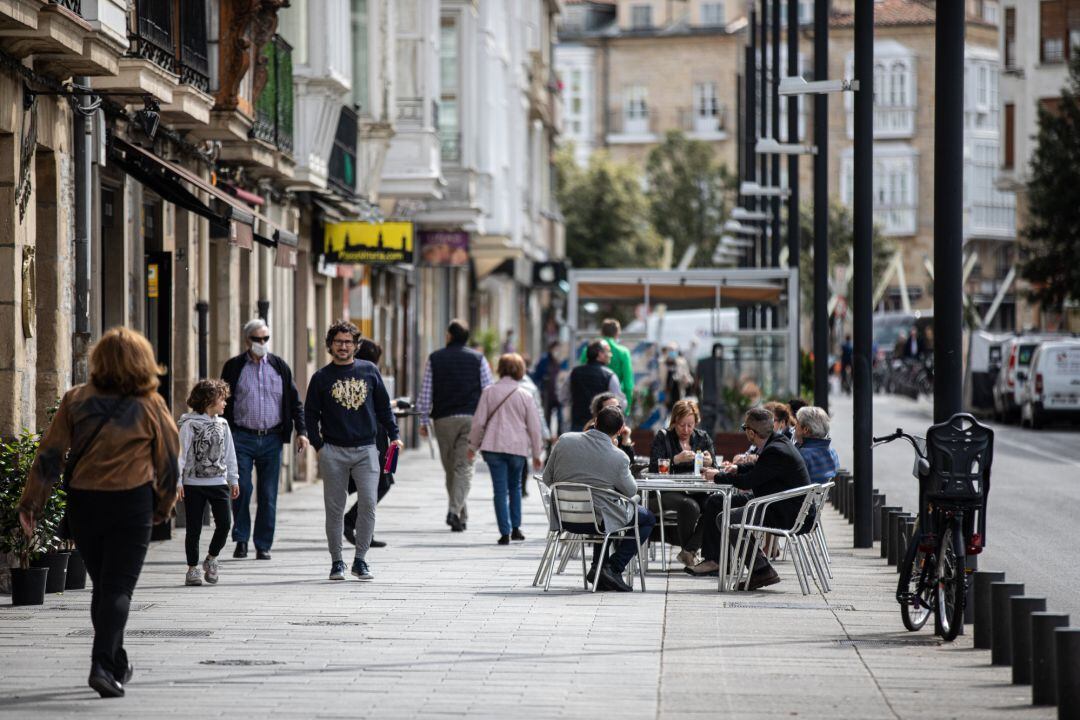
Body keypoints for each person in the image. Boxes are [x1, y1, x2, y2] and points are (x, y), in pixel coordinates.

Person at [19, 327, 179, 698]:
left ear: (100, 360)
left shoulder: (76, 399)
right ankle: (102, 665)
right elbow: (170, 462)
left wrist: (32, 503)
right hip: (131, 503)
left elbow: (50, 454)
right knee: (118, 587)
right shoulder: (150, 404)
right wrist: (164, 506)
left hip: (85, 504)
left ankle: (116, 660)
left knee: (105, 585)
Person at [305, 321, 402, 582]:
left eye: (348, 342)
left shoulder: (369, 371)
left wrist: (395, 436)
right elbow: (310, 414)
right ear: (330, 345)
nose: (343, 346)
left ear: (356, 346)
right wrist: (318, 446)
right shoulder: (321, 377)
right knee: (334, 509)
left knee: (368, 504)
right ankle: (337, 561)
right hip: (333, 450)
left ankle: (360, 560)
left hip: (366, 449)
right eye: (338, 342)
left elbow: (384, 408)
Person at [685, 408, 812, 590]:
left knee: (727, 519)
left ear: (751, 433)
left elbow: (749, 481)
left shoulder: (776, 450)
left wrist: (717, 476)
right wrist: (737, 468)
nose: (745, 432)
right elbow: (760, 467)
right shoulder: (778, 442)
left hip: (784, 512)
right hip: (776, 503)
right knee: (716, 502)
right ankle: (715, 560)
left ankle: (761, 570)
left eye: (745, 428)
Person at [221, 318, 309, 561]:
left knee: (268, 494)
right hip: (241, 437)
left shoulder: (279, 367)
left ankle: (263, 544)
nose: (262, 343)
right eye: (257, 339)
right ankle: (241, 540)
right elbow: (222, 401)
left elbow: (295, 402)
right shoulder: (234, 367)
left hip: (272, 438)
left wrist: (301, 432)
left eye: (265, 338)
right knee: (242, 489)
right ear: (247, 340)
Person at [542, 407, 656, 592]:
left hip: (564, 519)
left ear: (595, 422)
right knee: (647, 518)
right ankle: (613, 568)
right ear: (620, 430)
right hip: (599, 522)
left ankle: (599, 568)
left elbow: (547, 479)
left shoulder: (565, 440)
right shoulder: (618, 456)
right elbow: (630, 490)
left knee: (606, 507)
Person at [417, 319, 494, 532]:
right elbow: (488, 392)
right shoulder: (478, 359)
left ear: (449, 336)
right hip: (471, 419)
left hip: (443, 420)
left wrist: (423, 420)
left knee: (452, 469)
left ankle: (456, 512)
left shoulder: (435, 358)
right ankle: (457, 513)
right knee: (463, 467)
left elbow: (426, 392)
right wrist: (487, 422)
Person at [467, 354, 544, 545]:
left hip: (493, 446)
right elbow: (534, 427)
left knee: (499, 490)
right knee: (515, 486)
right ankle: (516, 528)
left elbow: (478, 422)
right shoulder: (525, 395)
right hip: (517, 448)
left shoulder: (489, 392)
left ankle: (504, 532)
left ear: (500, 369)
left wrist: (472, 446)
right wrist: (537, 453)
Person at [177, 379, 239, 587]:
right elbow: (180, 455)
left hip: (219, 482)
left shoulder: (223, 424)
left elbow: (230, 453)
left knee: (225, 524)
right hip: (193, 484)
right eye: (222, 399)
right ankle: (192, 569)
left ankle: (212, 558)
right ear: (209, 401)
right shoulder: (189, 425)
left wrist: (233, 479)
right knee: (193, 528)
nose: (225, 403)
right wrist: (178, 481)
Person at [647, 399, 714, 566]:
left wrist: (710, 462)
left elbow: (715, 469)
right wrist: (675, 459)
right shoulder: (663, 437)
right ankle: (689, 552)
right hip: (668, 490)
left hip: (697, 489)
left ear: (696, 423)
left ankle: (689, 551)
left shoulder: (702, 437)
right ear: (674, 422)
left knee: (715, 505)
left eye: (690, 425)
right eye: (681, 425)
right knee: (690, 506)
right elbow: (653, 467)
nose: (686, 430)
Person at [343, 339, 394, 548]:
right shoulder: (367, 374)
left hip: (372, 437)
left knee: (375, 484)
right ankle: (351, 521)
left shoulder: (357, 373)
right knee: (381, 483)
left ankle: (363, 529)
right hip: (372, 439)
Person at [561, 338, 625, 431]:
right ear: (600, 354)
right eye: (608, 351)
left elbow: (563, 397)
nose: (610, 355)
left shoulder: (574, 372)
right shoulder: (609, 375)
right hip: (601, 428)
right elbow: (619, 402)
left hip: (577, 425)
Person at [578, 318, 634, 410]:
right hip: (613, 403)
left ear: (601, 332)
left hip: (589, 403)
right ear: (617, 333)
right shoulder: (623, 352)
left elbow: (581, 374)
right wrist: (627, 408)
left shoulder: (587, 350)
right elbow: (628, 384)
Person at [794, 406, 840, 484]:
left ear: (805, 429)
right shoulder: (833, 452)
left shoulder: (801, 455)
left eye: (797, 423)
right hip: (826, 492)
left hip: (804, 492)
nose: (795, 427)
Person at [584, 392, 635, 461]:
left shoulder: (621, 431)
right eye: (610, 409)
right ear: (599, 413)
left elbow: (630, 461)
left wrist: (625, 441)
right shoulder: (592, 431)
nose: (615, 411)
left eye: (618, 407)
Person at [531, 341, 564, 436]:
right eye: (555, 349)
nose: (557, 351)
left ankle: (559, 437)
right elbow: (536, 376)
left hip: (560, 395)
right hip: (547, 395)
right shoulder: (544, 360)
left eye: (558, 349)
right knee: (547, 418)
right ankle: (548, 439)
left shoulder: (562, 360)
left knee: (560, 419)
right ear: (550, 349)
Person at [662, 343, 694, 412]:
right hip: (665, 392)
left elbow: (688, 376)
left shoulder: (682, 362)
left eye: (673, 350)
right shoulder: (662, 362)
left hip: (678, 390)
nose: (672, 352)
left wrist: (686, 379)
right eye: (670, 350)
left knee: (677, 410)